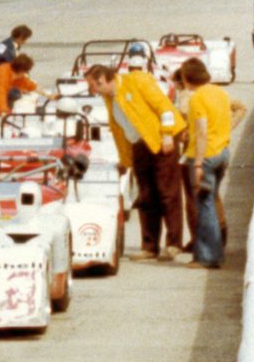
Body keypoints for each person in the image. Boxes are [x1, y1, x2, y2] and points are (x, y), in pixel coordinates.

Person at [85, 62, 186, 261]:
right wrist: (125, 160)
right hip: (138, 145)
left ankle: (174, 243)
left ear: (103, 80)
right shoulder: (109, 97)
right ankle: (150, 247)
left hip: (160, 140)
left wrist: (167, 135)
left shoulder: (138, 80)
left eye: (93, 86)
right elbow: (120, 130)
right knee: (146, 195)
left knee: (168, 192)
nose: (92, 91)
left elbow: (164, 108)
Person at [179, 58, 237, 268]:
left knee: (205, 206)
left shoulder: (197, 99)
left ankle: (209, 257)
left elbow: (202, 131)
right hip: (222, 152)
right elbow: (233, 114)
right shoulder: (220, 92)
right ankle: (211, 252)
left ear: (186, 79)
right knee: (211, 202)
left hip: (205, 157)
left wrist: (197, 165)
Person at [0, 53, 41, 123]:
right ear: (21, 70)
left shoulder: (11, 71)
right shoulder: (2, 76)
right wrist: (4, 112)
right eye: (26, 71)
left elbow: (29, 84)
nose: (25, 74)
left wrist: (49, 96)